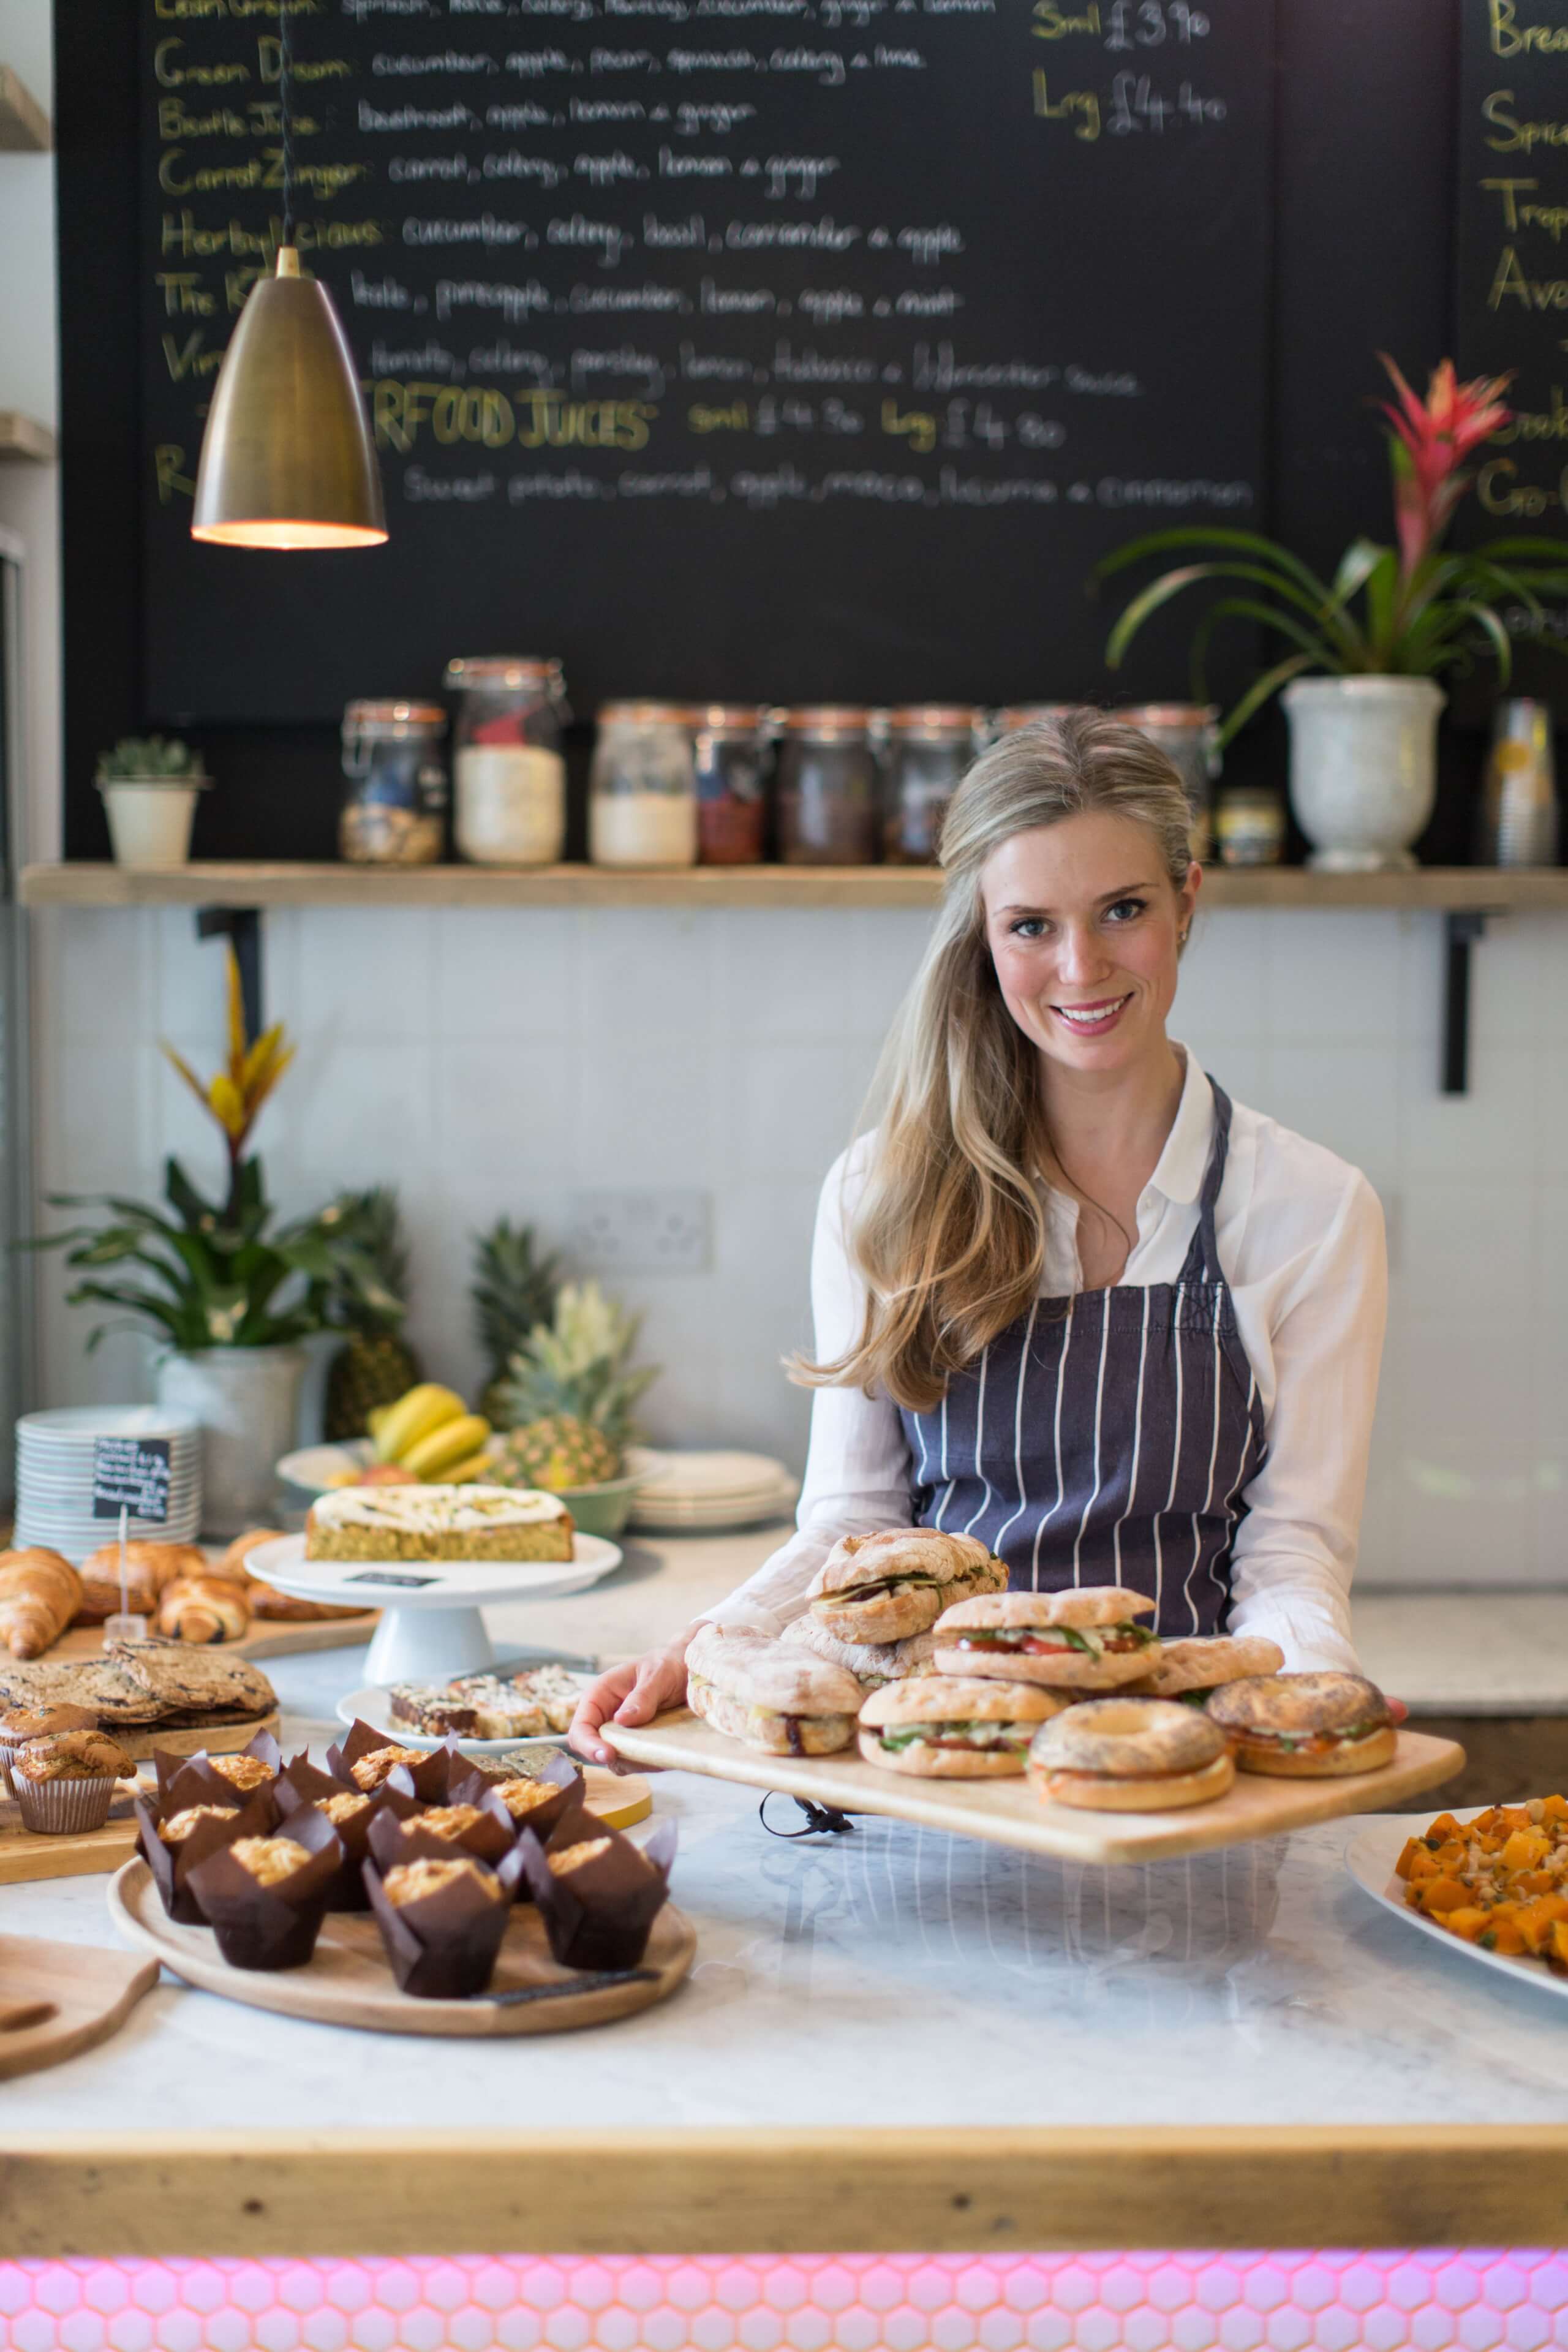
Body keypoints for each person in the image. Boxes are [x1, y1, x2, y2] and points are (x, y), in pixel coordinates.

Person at [570, 710, 1387, 1766]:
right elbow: (852, 1527)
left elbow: (1289, 1558)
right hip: (927, 1779)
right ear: (983, 934)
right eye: (1031, 926)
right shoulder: (884, 1193)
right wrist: (711, 1644)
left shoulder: (1311, 1211)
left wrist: (1321, 1688)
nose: (1081, 967)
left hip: (1175, 1791)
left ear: (1187, 901)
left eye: (1122, 910)